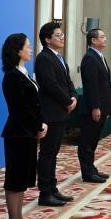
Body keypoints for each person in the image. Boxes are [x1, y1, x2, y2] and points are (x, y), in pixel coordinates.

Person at [0, 33, 47, 219]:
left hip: (27, 132)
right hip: (18, 133)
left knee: (23, 178)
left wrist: (41, 123)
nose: (30, 49)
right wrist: (38, 125)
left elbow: (34, 104)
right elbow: (21, 108)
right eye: (27, 46)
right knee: (15, 179)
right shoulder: (12, 76)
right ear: (17, 50)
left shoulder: (23, 72)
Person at [34, 22, 77, 207]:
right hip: (51, 112)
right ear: (47, 39)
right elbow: (51, 85)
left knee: (54, 153)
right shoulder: (43, 58)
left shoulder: (58, 57)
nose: (62, 38)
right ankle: (45, 193)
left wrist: (74, 96)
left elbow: (67, 81)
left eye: (62, 35)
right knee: (47, 153)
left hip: (61, 112)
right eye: (58, 35)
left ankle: (53, 189)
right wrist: (67, 101)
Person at [78, 29, 111, 183]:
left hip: (101, 106)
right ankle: (87, 172)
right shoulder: (90, 58)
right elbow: (91, 86)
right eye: (102, 37)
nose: (105, 39)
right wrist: (95, 107)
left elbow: (104, 84)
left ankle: (91, 168)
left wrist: (106, 107)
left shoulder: (99, 56)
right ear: (93, 40)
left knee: (93, 140)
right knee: (87, 141)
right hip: (92, 108)